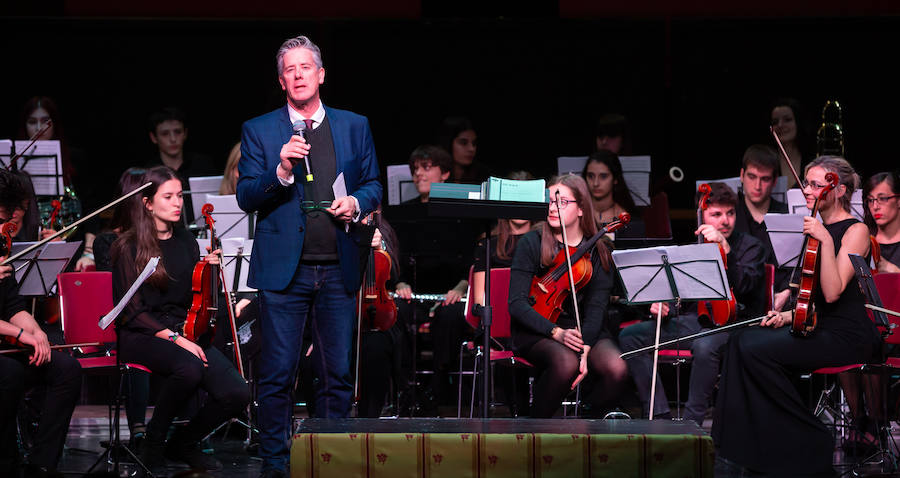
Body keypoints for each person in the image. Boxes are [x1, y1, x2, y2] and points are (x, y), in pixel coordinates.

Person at [235, 35, 381, 478]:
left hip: (338, 267)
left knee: (336, 374)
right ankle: (276, 464)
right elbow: (245, 196)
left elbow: (373, 183)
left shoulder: (354, 125)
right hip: (286, 272)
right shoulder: (260, 129)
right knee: (278, 374)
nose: (298, 76)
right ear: (282, 82)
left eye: (306, 68)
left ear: (321, 75)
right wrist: (279, 172)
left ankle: (332, 463)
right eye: (290, 71)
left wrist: (355, 202)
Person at [712, 157, 881, 477]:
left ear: (839, 189)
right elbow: (814, 298)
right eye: (807, 182)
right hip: (818, 327)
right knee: (739, 341)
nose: (807, 189)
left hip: (847, 336)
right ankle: (732, 449)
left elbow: (833, 292)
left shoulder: (855, 230)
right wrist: (787, 316)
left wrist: (824, 237)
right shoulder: (816, 224)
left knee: (754, 350)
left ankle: (810, 438)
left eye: (817, 185)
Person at [112, 166, 249, 475]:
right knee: (188, 368)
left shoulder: (187, 241)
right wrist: (177, 339)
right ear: (147, 203)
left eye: (179, 196)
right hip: (142, 333)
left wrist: (211, 270)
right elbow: (132, 312)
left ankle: (183, 442)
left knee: (237, 392)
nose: (178, 203)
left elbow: (196, 298)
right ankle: (154, 442)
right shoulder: (127, 246)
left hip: (181, 330)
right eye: (168, 197)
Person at [619, 182, 767, 424]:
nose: (725, 221)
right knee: (631, 337)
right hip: (697, 322)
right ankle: (659, 415)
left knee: (704, 346)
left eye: (730, 213)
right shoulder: (694, 247)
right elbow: (683, 296)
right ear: (702, 216)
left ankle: (692, 423)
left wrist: (726, 250)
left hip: (735, 324)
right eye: (716, 214)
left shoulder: (751, 246)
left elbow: (746, 288)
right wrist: (664, 305)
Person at [507, 174, 627, 418]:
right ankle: (535, 425)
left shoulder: (599, 250)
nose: (553, 208)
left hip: (583, 329)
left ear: (581, 208)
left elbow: (596, 308)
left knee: (617, 368)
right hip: (539, 327)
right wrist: (556, 332)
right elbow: (516, 303)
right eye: (550, 201)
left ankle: (585, 418)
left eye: (562, 202)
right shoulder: (532, 242)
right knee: (566, 363)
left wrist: (585, 349)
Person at [0, 169, 82, 477]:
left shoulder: (1, 248)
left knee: (66, 369)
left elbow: (12, 305)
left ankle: (42, 464)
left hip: (7, 342)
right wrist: (21, 334)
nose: (3, 228)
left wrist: (36, 333)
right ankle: (6, 462)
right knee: (8, 373)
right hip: (4, 353)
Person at [387, 145, 477, 409]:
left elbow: (473, 259)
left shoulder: (461, 212)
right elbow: (394, 256)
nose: (419, 175)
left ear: (445, 174)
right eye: (415, 170)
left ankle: (439, 388)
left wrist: (461, 287)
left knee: (449, 318)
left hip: (452, 294)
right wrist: (400, 282)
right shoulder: (403, 213)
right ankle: (404, 389)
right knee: (395, 312)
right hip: (414, 294)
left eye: (426, 168)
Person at [733, 144, 792, 310]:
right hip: (738, 305)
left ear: (774, 182)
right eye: (752, 177)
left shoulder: (787, 215)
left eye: (764, 179)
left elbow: (798, 264)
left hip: (779, 306)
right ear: (742, 175)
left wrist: (788, 291)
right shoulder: (729, 215)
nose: (757, 186)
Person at [145, 106, 217, 225]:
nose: (173, 139)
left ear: (185, 133)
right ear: (154, 137)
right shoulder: (149, 171)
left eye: (177, 132)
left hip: (203, 232)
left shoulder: (203, 164)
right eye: (165, 133)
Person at [581, 150, 636, 227]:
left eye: (603, 176)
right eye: (590, 176)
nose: (595, 183)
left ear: (615, 179)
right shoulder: (576, 215)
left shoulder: (625, 217)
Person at [769, 97, 811, 188]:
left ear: (798, 123)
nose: (780, 125)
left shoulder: (812, 158)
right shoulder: (766, 161)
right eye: (775, 122)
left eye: (787, 120)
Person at [864, 171, 900, 272]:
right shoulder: (864, 240)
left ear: (898, 201)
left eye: (882, 198)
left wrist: (894, 270)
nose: (875, 207)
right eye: (870, 200)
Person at [437, 116, 489, 184]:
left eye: (474, 143)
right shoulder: (434, 174)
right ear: (448, 144)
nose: (471, 149)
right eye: (463, 143)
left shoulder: (484, 177)